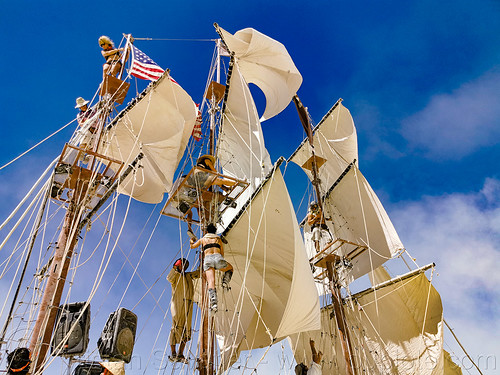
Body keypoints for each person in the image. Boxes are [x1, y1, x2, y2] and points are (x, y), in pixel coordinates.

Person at [190, 223, 233, 313]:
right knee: (230, 268)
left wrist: (191, 241)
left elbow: (192, 247)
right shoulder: (218, 239)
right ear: (215, 231)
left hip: (208, 260)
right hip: (218, 258)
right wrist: (219, 263)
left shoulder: (203, 239)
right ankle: (225, 282)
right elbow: (222, 253)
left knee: (211, 281)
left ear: (207, 231)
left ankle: (214, 303)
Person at [166, 258, 200, 363]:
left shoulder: (188, 275)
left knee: (187, 329)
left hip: (188, 303)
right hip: (178, 303)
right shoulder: (175, 276)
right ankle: (173, 353)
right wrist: (175, 267)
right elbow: (169, 278)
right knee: (176, 326)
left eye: (185, 265)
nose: (184, 267)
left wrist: (202, 260)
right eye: (182, 264)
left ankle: (180, 354)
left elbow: (198, 273)